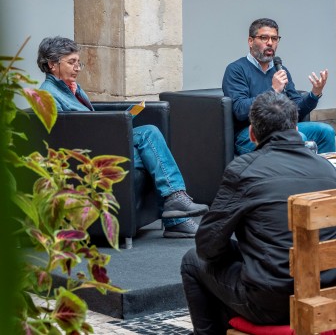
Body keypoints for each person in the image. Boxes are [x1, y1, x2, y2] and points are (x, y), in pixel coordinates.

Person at [180, 91, 336, 333]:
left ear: (252, 133)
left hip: (273, 302)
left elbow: (207, 244)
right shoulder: (326, 168)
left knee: (192, 261)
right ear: (296, 127)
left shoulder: (244, 170)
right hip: (328, 289)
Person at [37, 36, 208, 238]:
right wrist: (111, 127)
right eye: (71, 62)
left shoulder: (72, 88)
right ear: (51, 64)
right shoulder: (47, 95)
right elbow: (64, 136)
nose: (78, 68)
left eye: (78, 62)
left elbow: (86, 120)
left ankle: (175, 210)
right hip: (89, 156)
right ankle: (175, 210)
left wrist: (112, 125)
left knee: (150, 150)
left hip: (101, 144)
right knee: (149, 135)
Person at [223, 18, 336, 155]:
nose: (270, 43)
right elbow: (240, 110)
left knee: (325, 131)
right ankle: (298, 176)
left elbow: (296, 109)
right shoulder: (236, 69)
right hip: (251, 133)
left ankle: (325, 175)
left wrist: (314, 94)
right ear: (250, 41)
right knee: (299, 138)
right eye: (264, 38)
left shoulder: (280, 70)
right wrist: (273, 90)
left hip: (283, 128)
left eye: (274, 38)